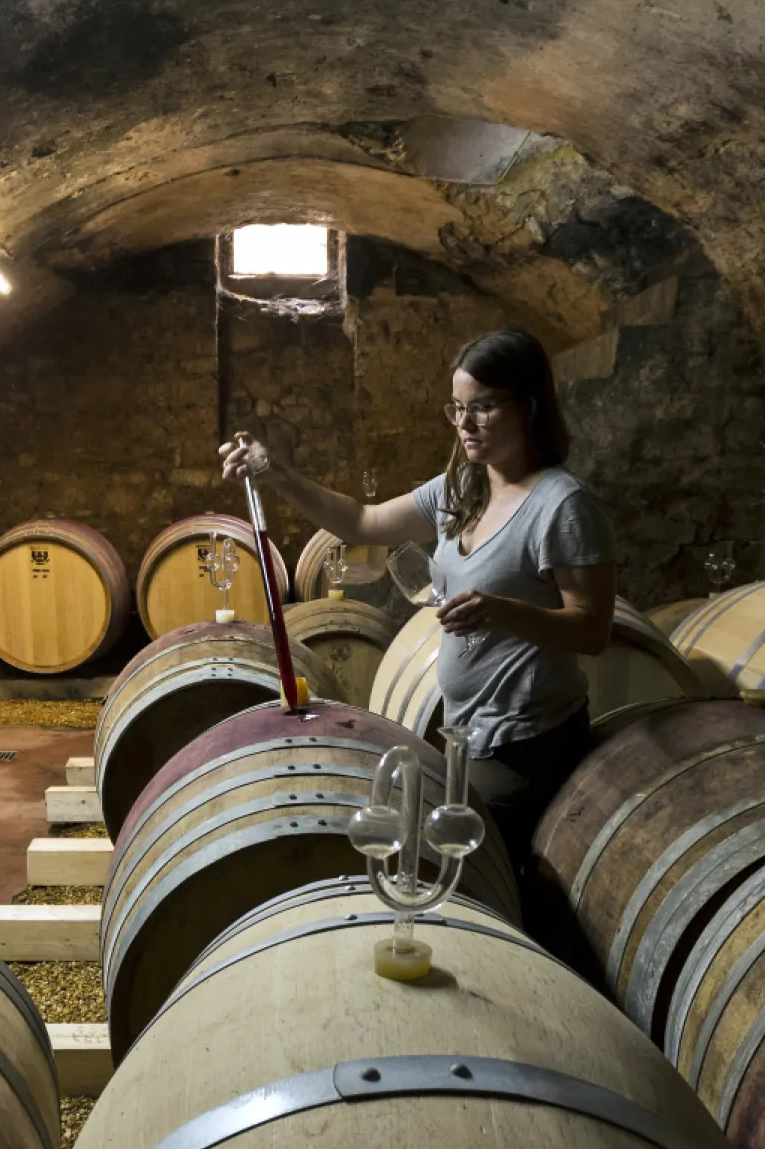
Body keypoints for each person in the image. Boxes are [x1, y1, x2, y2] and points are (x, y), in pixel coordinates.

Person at [219, 327, 616, 890]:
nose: (465, 425)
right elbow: (360, 521)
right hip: (465, 732)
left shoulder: (563, 506)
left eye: (482, 408)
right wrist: (275, 472)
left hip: (528, 743)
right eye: (456, 408)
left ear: (528, 406)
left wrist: (501, 611)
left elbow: (592, 628)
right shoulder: (461, 489)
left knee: (447, 869)